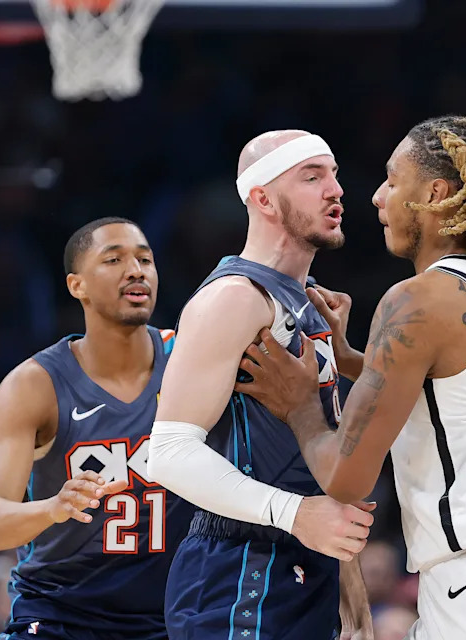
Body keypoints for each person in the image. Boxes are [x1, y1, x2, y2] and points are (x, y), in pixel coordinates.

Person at [235, 115, 466, 639]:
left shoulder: (418, 300)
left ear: (436, 193)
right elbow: (455, 386)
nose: (377, 197)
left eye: (393, 181)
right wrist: (352, 356)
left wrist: (300, 405)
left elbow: (344, 478)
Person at [148, 130, 374, 640]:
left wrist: (353, 599)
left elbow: (324, 476)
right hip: (238, 573)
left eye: (334, 174)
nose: (335, 189)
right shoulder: (234, 298)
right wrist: (295, 514)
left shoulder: (312, 302)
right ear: (262, 198)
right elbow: (167, 452)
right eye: (312, 176)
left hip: (308, 566)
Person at [0, 217, 194, 639]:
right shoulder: (33, 385)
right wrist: (53, 507)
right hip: (61, 614)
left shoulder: (190, 361)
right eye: (114, 259)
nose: (136, 270)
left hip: (174, 615)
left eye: (145, 259)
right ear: (78, 286)